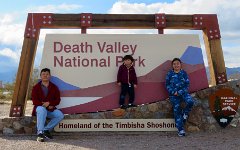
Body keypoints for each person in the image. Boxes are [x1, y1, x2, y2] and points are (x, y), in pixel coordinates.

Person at [32, 68, 64, 142]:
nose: (45, 76)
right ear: (40, 76)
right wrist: (44, 105)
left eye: (47, 74)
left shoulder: (54, 87)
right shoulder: (36, 87)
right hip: (39, 109)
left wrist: (50, 103)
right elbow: (34, 101)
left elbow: (58, 100)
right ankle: (40, 133)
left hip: (50, 109)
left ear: (50, 76)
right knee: (41, 109)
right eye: (43, 74)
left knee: (60, 115)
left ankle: (46, 130)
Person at [165, 58, 194, 137]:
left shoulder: (184, 73)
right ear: (172, 65)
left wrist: (180, 92)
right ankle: (180, 130)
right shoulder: (170, 74)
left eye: (178, 63)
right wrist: (173, 92)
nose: (176, 65)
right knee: (177, 110)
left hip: (183, 93)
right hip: (174, 95)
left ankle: (185, 113)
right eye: (174, 64)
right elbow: (167, 85)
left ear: (180, 64)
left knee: (190, 102)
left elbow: (187, 84)